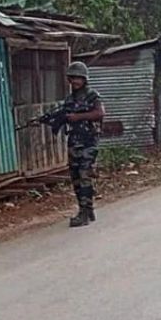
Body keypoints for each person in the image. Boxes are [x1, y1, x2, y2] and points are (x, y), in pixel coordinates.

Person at [59, 62, 105, 227]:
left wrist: (78, 117)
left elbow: (100, 113)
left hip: (89, 141)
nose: (74, 81)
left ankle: (84, 213)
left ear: (84, 79)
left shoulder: (92, 95)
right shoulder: (69, 99)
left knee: (85, 175)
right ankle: (86, 209)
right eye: (72, 78)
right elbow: (64, 116)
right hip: (74, 141)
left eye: (78, 78)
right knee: (76, 177)